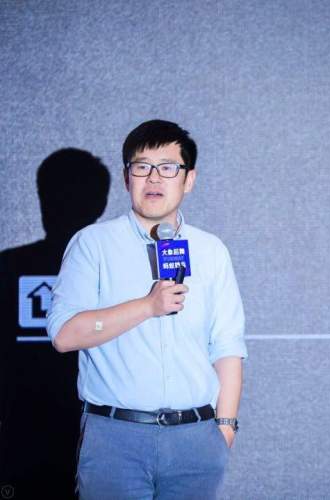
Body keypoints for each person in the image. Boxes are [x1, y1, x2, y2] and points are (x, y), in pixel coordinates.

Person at [47, 120, 248, 499]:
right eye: (142, 167)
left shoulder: (210, 250)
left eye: (168, 167)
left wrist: (224, 428)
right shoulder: (93, 244)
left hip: (196, 439)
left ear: (189, 179)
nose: (154, 178)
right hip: (116, 438)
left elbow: (227, 346)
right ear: (127, 178)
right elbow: (64, 335)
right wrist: (147, 306)